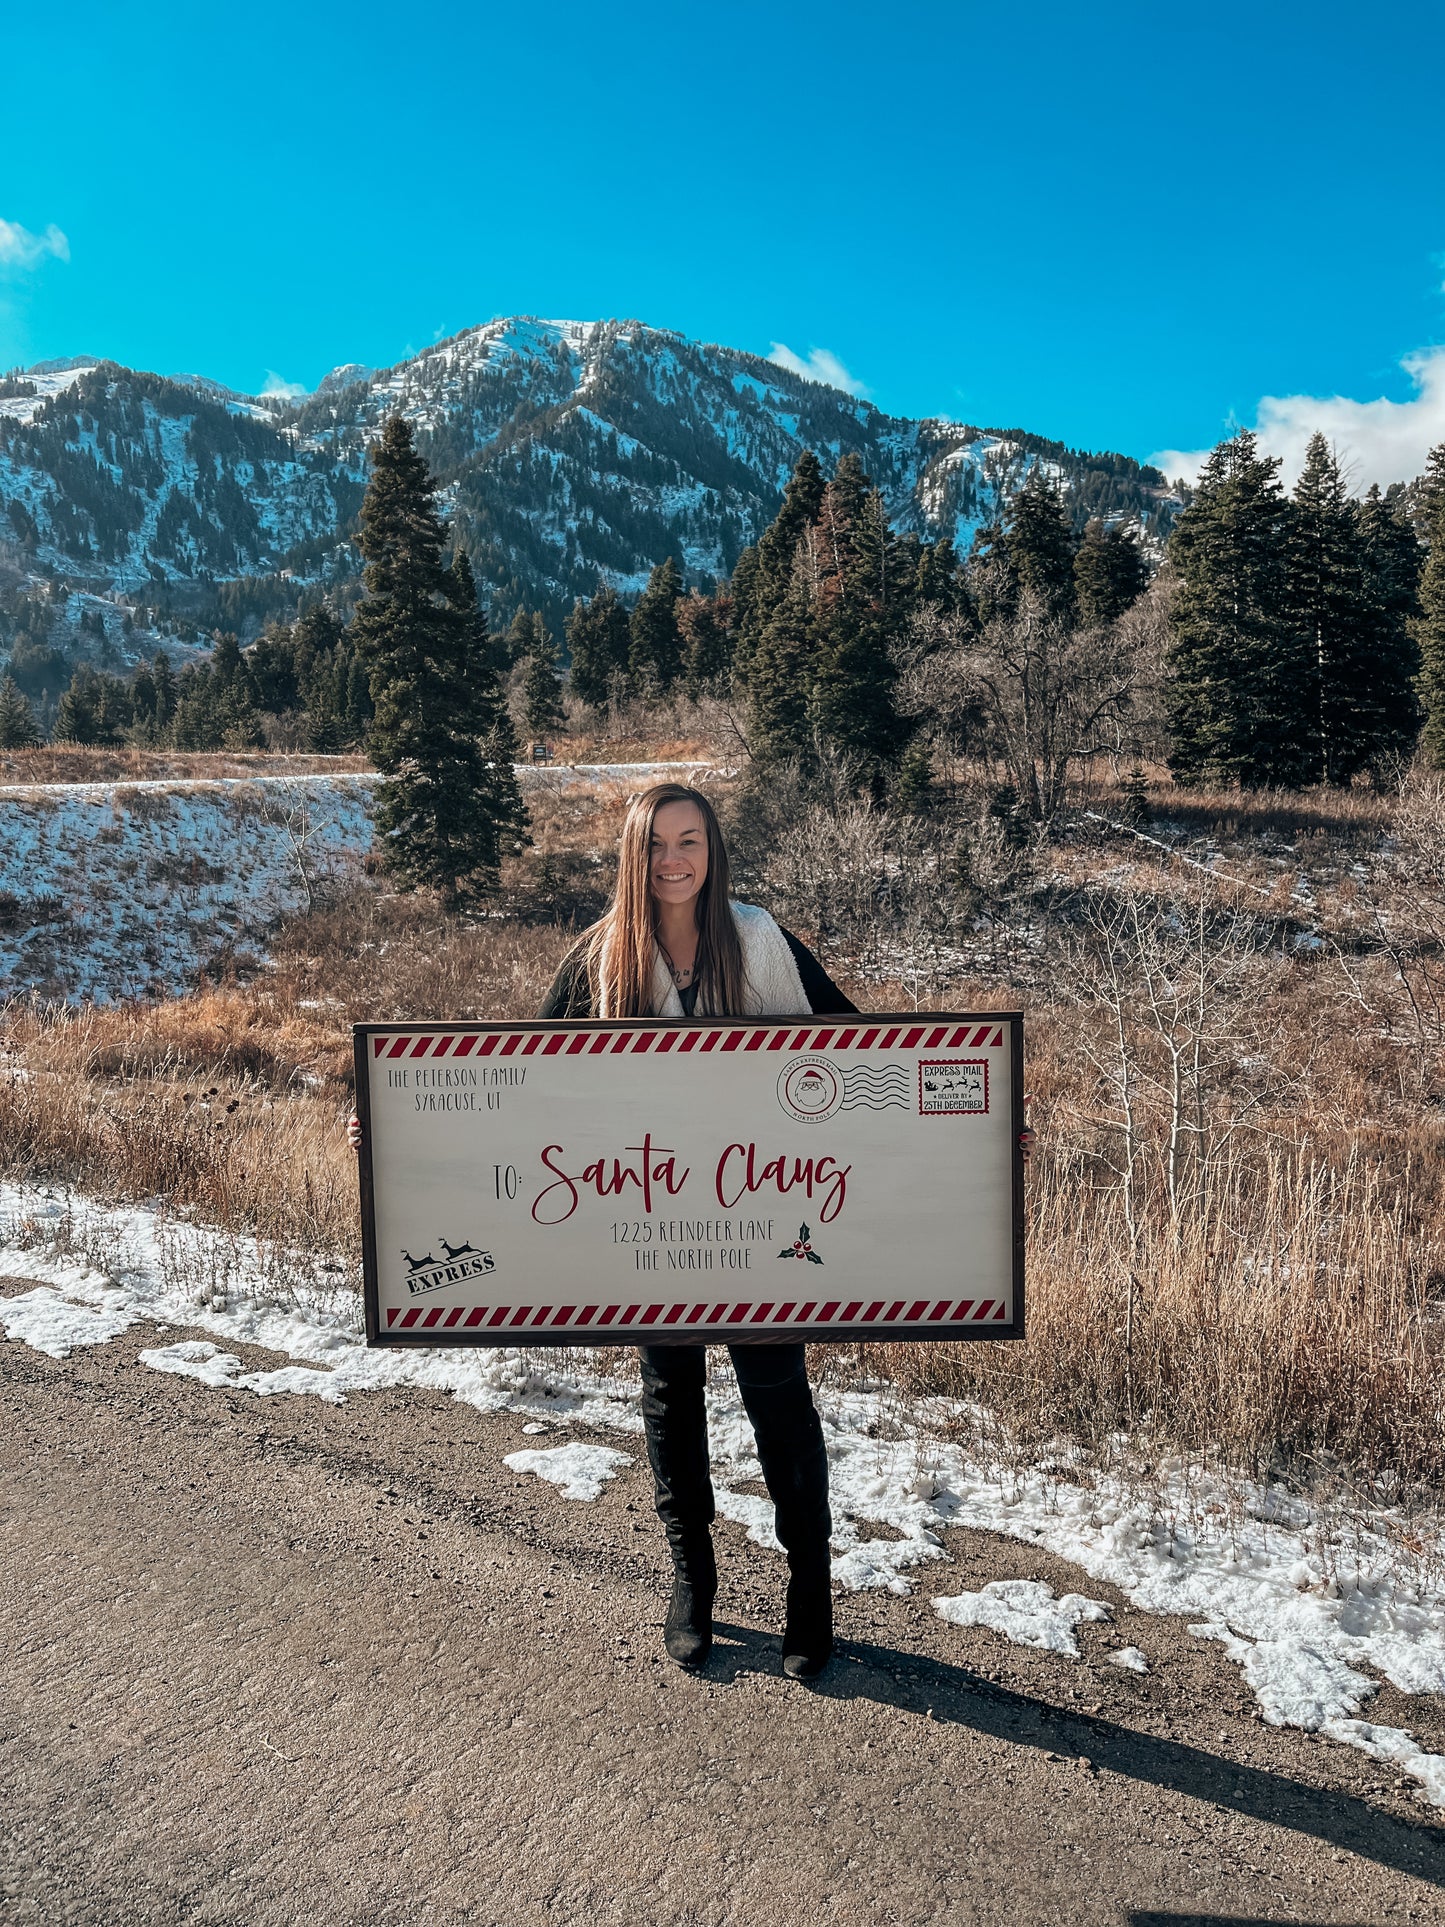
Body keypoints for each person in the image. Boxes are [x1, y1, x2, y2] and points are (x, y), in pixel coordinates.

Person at [349, 779, 1034, 1682]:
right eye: (656, 846)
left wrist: (981, 1123)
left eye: (690, 842)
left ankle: (807, 1585)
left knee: (777, 1395)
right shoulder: (597, 959)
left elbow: (868, 1052)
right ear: (631, 858)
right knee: (670, 1395)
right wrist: (393, 1126)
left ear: (712, 852)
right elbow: (516, 1088)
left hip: (761, 1219)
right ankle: (692, 1576)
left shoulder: (758, 939)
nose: (674, 861)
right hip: (644, 1225)